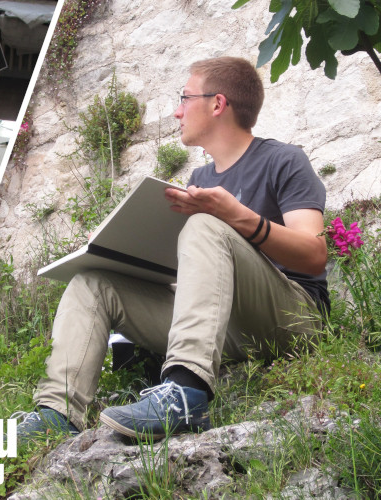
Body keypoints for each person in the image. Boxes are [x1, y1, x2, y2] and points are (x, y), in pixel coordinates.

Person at [16, 56, 329, 439]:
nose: (177, 111)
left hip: (293, 320)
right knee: (93, 282)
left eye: (184, 98)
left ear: (217, 104)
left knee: (204, 226)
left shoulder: (284, 160)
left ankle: (185, 394)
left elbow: (314, 256)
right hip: (224, 327)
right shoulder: (200, 178)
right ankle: (57, 415)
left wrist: (237, 216)